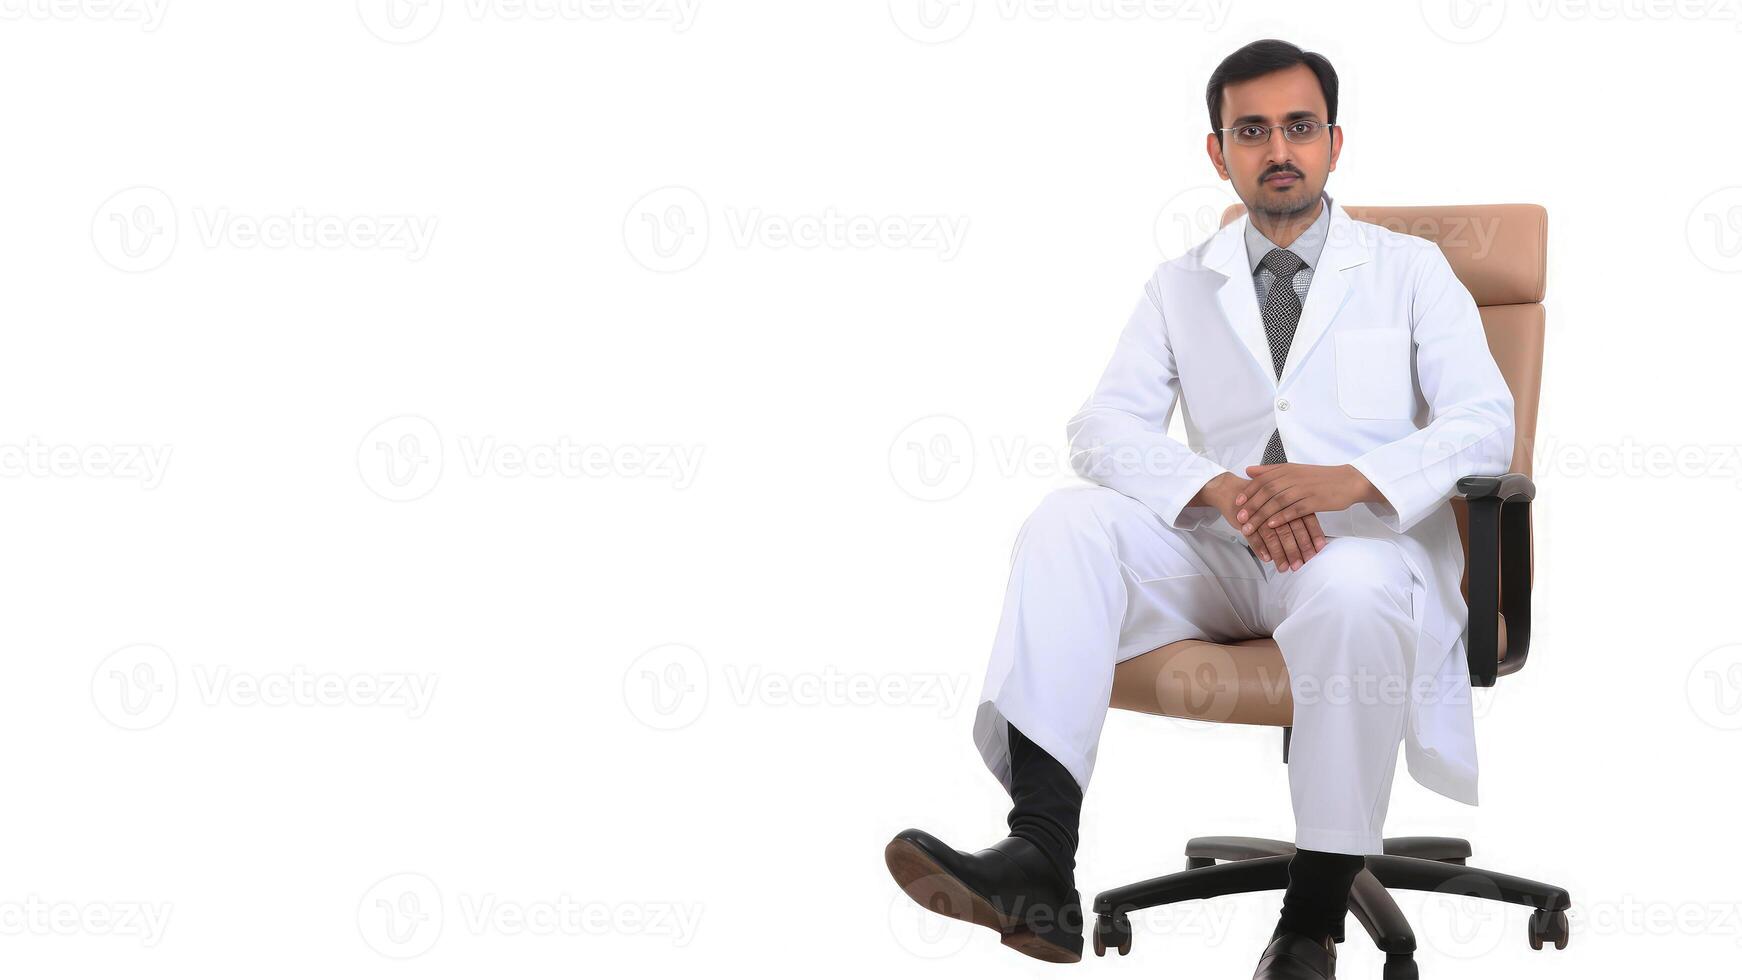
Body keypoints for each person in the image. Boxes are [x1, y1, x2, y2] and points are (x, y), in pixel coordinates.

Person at [883, 39, 1517, 980]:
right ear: (1217, 153)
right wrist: (1214, 487)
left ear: (1335, 143)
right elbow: (1100, 427)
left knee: (1352, 593)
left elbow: (1484, 424)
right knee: (1066, 522)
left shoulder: (1411, 270)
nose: (1279, 149)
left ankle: (1311, 920)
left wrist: (1350, 480)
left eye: (1299, 127)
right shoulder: (1183, 282)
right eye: (1251, 130)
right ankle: (1040, 858)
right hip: (1226, 548)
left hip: (1355, 550)